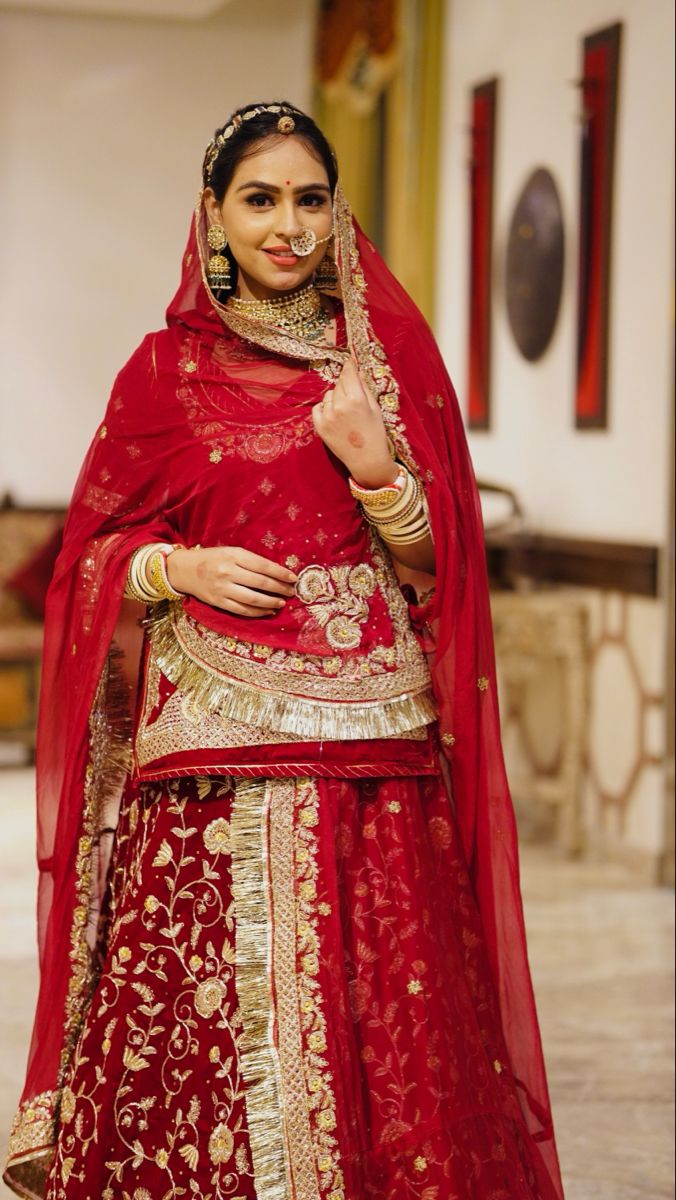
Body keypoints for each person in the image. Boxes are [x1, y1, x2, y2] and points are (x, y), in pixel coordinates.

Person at [3, 101, 565, 1200]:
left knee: (388, 1018)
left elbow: (434, 566)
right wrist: (181, 570)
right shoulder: (162, 373)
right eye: (260, 198)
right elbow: (93, 548)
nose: (289, 226)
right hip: (212, 739)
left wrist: (374, 468)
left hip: (372, 746)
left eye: (311, 198)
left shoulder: (384, 362)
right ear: (213, 213)